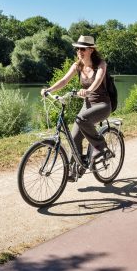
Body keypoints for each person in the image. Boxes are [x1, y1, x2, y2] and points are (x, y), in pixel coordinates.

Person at [41, 35, 111, 181]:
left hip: (103, 105)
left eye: (83, 48)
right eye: (78, 48)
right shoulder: (77, 66)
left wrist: (89, 90)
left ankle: (101, 147)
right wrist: (49, 90)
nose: (79, 51)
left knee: (81, 119)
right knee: (74, 137)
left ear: (91, 50)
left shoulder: (101, 64)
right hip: (87, 105)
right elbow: (64, 80)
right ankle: (77, 169)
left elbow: (98, 80)